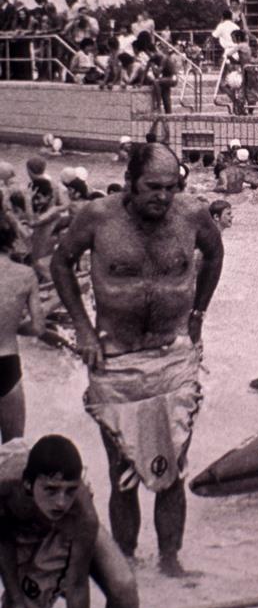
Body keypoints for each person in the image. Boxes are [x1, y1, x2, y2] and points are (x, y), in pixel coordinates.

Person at [50, 143, 224, 576]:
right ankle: (124, 567)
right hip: (116, 359)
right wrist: (84, 329)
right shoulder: (97, 217)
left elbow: (216, 253)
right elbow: (61, 263)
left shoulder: (192, 214)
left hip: (173, 357)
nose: (163, 197)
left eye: (171, 187)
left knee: (173, 469)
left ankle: (170, 564)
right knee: (122, 471)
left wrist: (199, 312)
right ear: (129, 182)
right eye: (153, 187)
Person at [0, 434, 138, 608]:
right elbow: (3, 542)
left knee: (124, 588)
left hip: (64, 524)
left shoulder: (82, 512)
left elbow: (77, 586)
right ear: (28, 484)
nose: (61, 502)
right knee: (20, 607)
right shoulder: (5, 487)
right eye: (51, 490)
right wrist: (16, 598)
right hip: (12, 523)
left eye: (70, 491)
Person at [0, 216, 43, 442]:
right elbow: (38, 327)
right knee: (13, 447)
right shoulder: (25, 275)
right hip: (7, 363)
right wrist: (12, 326)